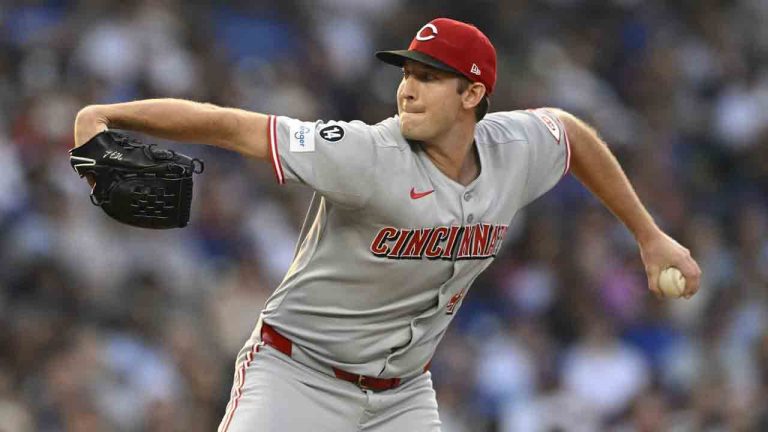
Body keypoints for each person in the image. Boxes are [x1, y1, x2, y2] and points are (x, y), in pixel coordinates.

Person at [72, 17, 702, 432]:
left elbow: (573, 136)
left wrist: (647, 234)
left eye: (428, 77)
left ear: (472, 94)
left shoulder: (516, 149)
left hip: (401, 396)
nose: (407, 89)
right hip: (297, 374)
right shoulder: (362, 152)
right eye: (405, 73)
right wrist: (105, 114)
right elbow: (232, 125)